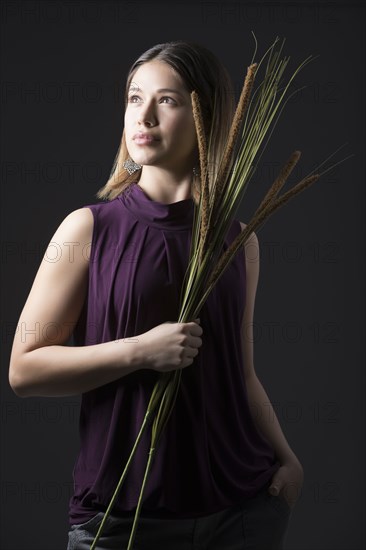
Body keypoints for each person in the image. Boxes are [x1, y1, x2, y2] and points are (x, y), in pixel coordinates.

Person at [9, 41, 304, 549]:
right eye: (133, 98)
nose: (143, 116)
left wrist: (289, 459)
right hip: (122, 520)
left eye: (166, 101)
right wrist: (141, 351)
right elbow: (24, 370)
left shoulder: (241, 241)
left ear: (205, 117)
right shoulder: (87, 230)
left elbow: (243, 374)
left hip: (241, 513)